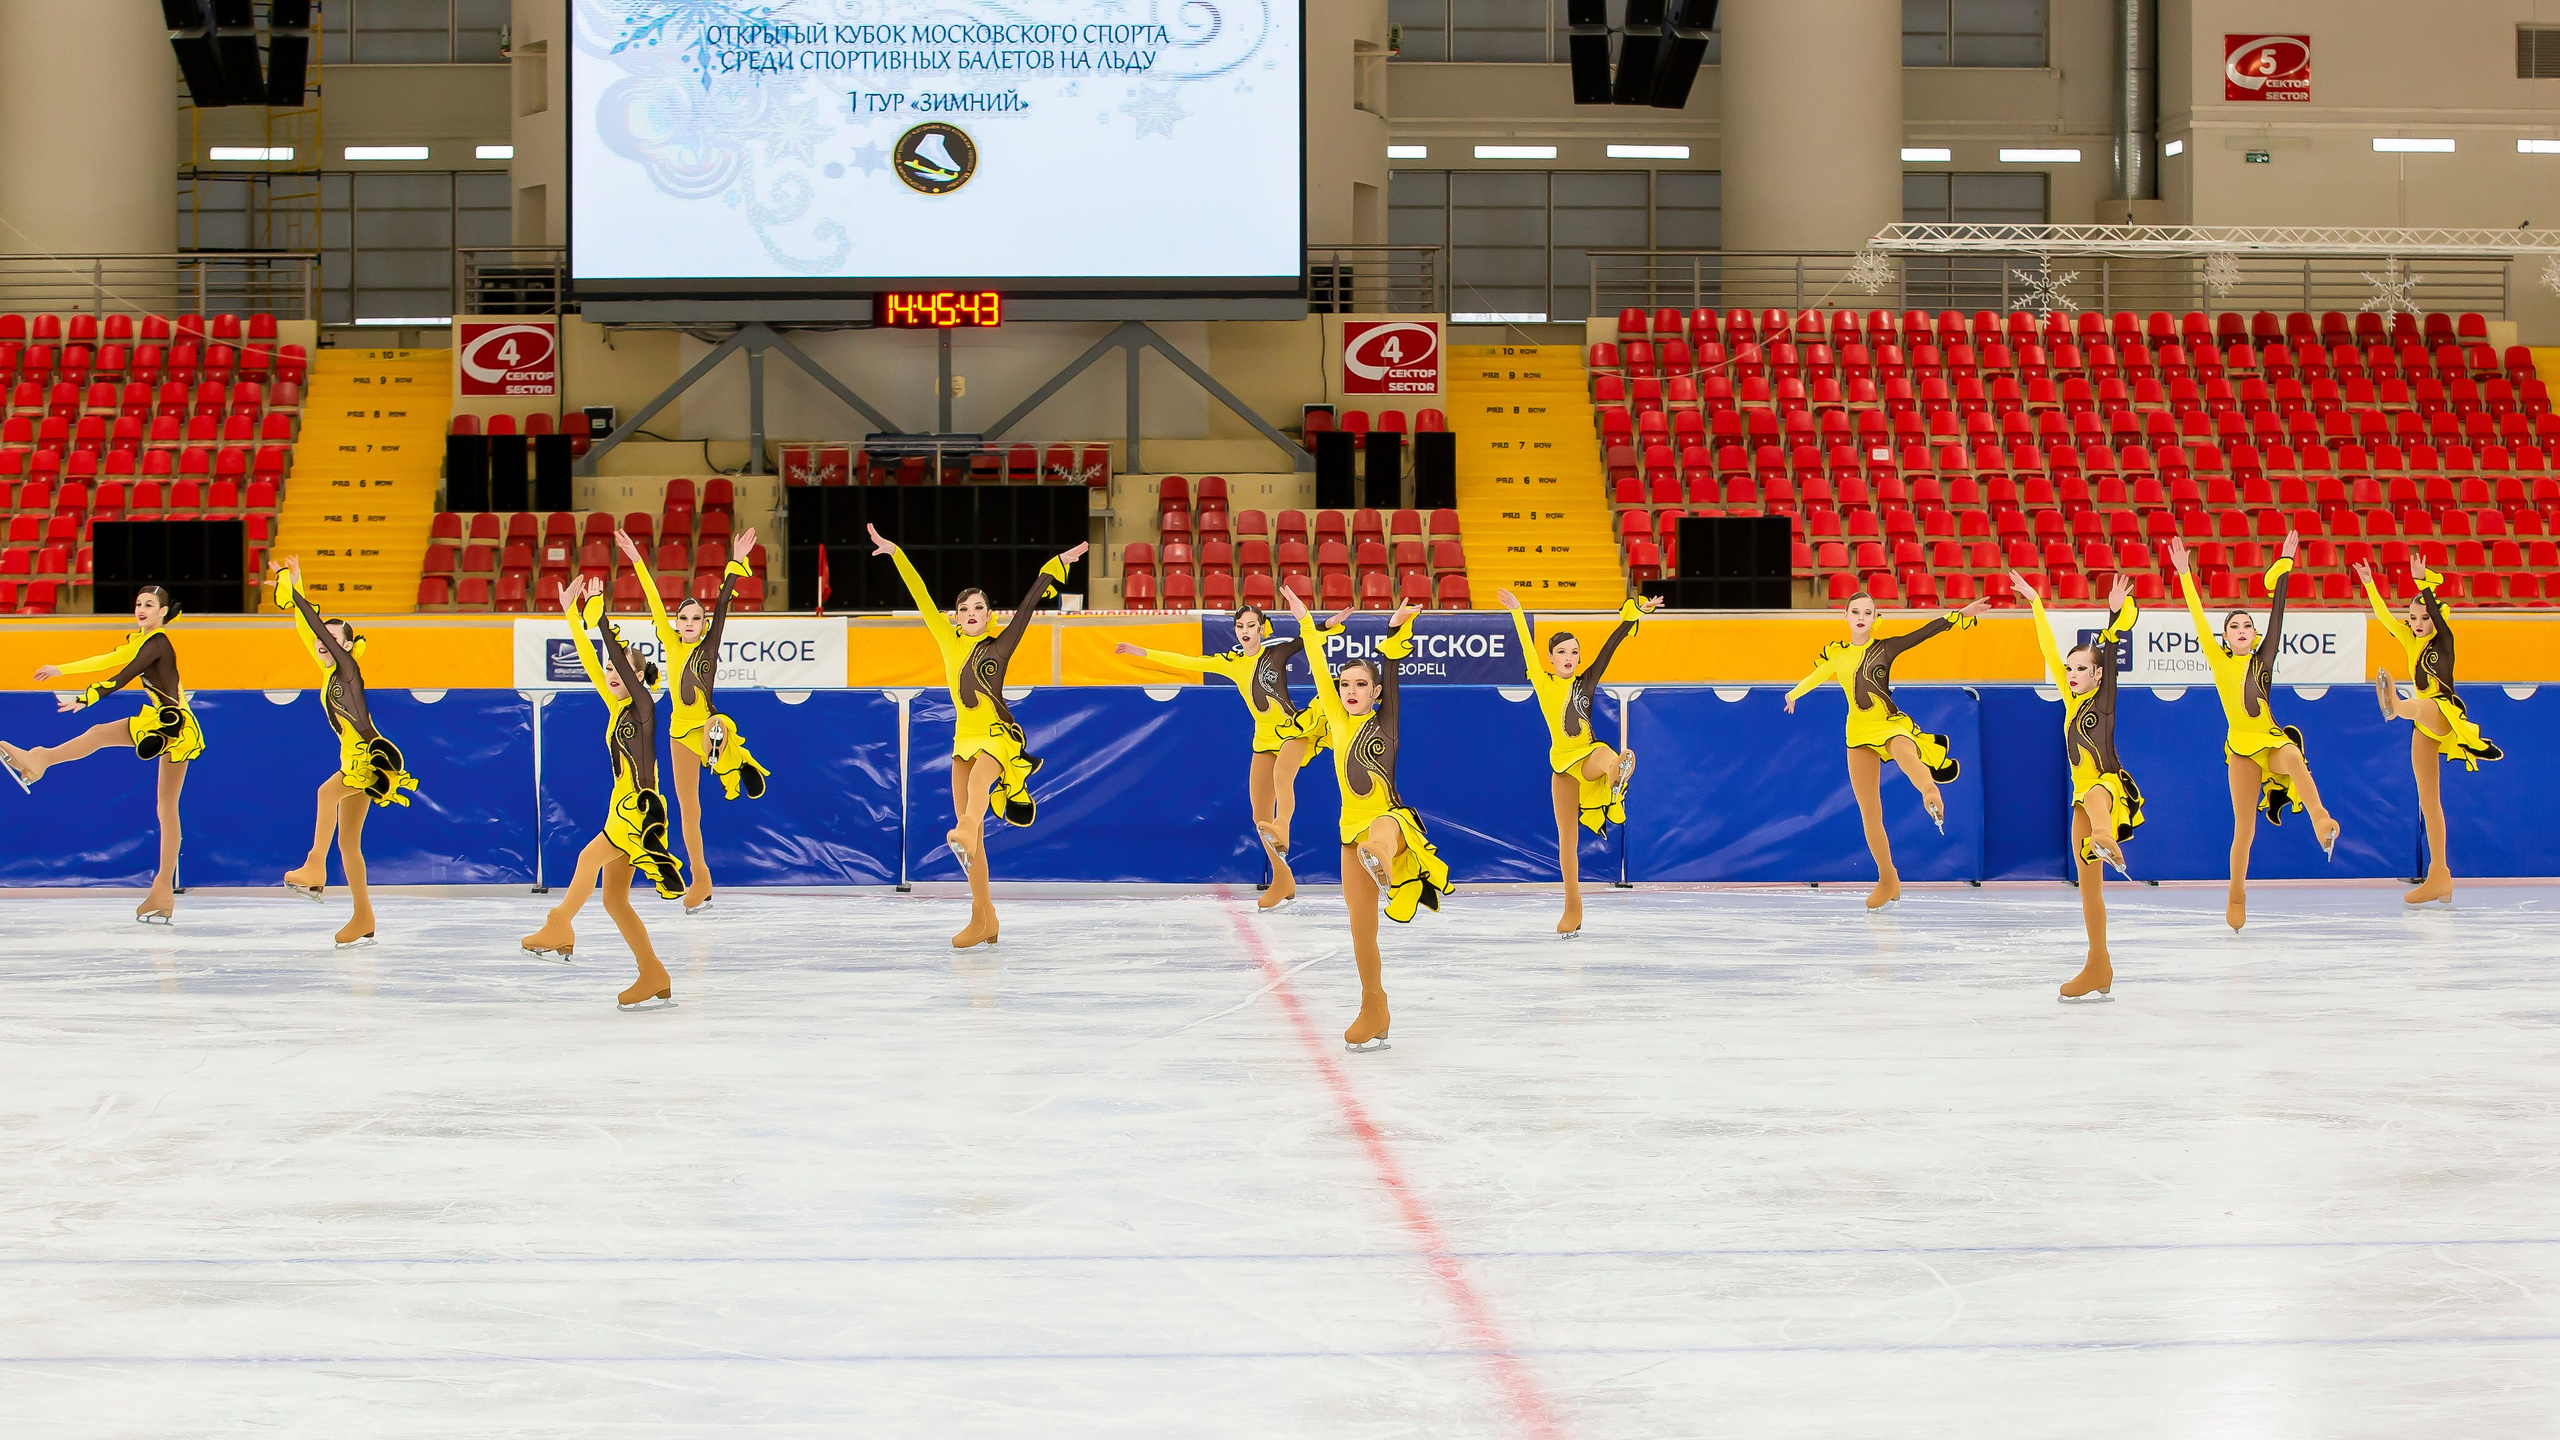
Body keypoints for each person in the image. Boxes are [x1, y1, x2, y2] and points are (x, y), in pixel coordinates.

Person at [872, 523, 1088, 949]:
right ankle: (984, 916)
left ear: (989, 615)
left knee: (974, 799)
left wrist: (1055, 566)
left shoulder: (1000, 644)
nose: (971, 613)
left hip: (996, 735)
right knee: (973, 845)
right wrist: (897, 553)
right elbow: (920, 596)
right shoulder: (946, 641)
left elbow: (1027, 607)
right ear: (955, 616)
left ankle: (969, 827)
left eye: (979, 608)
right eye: (964, 608)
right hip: (962, 739)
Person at [1277, 584, 1451, 1052]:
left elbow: (1391, 667)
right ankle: (1374, 1007)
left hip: (1390, 823)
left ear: (1375, 693)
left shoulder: (1386, 719)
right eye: (1345, 684)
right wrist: (1304, 623)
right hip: (1348, 836)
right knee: (1361, 932)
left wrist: (1394, 628)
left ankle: (1383, 860)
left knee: (1380, 831)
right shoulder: (1334, 720)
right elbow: (1316, 663)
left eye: (1361, 685)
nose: (1351, 691)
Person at [520, 575, 686, 1009]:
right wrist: (571, 614)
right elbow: (596, 663)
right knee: (614, 899)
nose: (612, 674)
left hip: (639, 811)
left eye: (622, 669)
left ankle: (559, 924)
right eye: (611, 669)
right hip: (625, 806)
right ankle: (654, 973)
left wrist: (602, 617)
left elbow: (612, 655)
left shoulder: (645, 705)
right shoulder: (616, 706)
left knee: (587, 858)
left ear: (639, 674)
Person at [1115, 603, 1342, 910]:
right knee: (1259, 815)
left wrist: (1329, 622)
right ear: (1235, 631)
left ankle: (1284, 828)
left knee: (1282, 777)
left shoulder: (1276, 652)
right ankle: (1282, 877)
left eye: (1251, 625)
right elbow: (1190, 662)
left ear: (1261, 628)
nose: (1246, 631)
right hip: (1263, 740)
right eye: (1240, 626)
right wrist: (1145, 652)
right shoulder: (1231, 662)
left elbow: (1309, 637)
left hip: (1294, 730)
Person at [0, 584, 202, 924]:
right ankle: (163, 890)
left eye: (149, 605)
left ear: (163, 612)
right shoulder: (140, 640)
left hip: (172, 724)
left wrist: (86, 697)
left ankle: (40, 760)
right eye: (138, 603)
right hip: (171, 725)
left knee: (103, 741)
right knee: (164, 805)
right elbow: (108, 659)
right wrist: (60, 669)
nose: (141, 609)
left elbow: (123, 675)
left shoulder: (157, 643)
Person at [2170, 533, 2339, 931]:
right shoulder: (2218, 660)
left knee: (2294, 756)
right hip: (2242, 750)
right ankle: (2236, 893)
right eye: (2234, 626)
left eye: (2247, 625)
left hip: (2270, 739)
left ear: (2255, 635)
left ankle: (2320, 819)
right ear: (2225, 636)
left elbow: (2277, 613)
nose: (2242, 629)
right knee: (2244, 829)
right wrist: (2184, 575)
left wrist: (2284, 564)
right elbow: (2196, 615)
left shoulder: (2264, 657)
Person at [1783, 591, 1992, 910]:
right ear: (1846, 616)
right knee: (1870, 812)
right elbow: (1818, 675)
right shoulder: (1838, 654)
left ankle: (1929, 791)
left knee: (1908, 755)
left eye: (1868, 611)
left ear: (1875, 617)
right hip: (1858, 732)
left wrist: (1959, 614)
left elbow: (1921, 634)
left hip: (1890, 723)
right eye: (1856, 611)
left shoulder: (1885, 647)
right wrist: (1794, 694)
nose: (1862, 616)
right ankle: (1888, 878)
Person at [615, 526, 771, 914]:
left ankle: (734, 763)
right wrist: (636, 558)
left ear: (702, 624)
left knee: (721, 726)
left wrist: (734, 565)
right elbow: (653, 601)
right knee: (689, 811)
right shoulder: (669, 643)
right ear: (678, 621)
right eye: (683, 618)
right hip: (677, 734)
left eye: (695, 618)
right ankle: (701, 878)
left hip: (706, 724)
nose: (688, 622)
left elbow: (722, 606)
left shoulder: (709, 644)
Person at [274, 556, 419, 948]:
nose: (324, 642)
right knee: (350, 843)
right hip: (359, 761)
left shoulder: (349, 668)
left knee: (325, 793)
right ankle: (363, 916)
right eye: (325, 640)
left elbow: (314, 626)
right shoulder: (329, 673)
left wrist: (295, 593)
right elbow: (309, 632)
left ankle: (314, 865)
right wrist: (296, 585)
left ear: (350, 647)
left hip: (366, 759)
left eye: (334, 639)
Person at [1497, 589, 1659, 936]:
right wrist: (1517, 610)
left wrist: (1637, 615)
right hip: (1562, 767)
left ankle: (1617, 773)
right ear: (1552, 659)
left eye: (1574, 652)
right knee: (1567, 842)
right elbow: (1527, 648)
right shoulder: (1542, 682)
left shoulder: (1586, 682)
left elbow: (1609, 649)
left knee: (1603, 752)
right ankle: (1573, 908)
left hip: (1588, 756)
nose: (1569, 657)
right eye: (1561, 652)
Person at [2015, 570, 2143, 1003]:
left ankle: (2104, 837)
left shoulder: (2104, 701)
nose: (2072, 673)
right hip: (2081, 801)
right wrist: (2035, 602)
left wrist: (2111, 610)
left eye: (2081, 668)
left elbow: (2108, 645)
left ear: (2098, 674)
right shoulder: (2071, 702)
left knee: (2094, 797)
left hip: (2107, 787)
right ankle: (2098, 966)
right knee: (2090, 890)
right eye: (2070, 669)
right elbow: (2050, 652)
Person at [2358, 559, 2502, 907]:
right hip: (2423, 725)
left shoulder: (2445, 637)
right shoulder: (2409, 639)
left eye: (2425, 617)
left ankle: (2396, 702)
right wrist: (2371, 586)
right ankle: (2440, 875)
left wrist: (2424, 584)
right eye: (2414, 618)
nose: (2419, 623)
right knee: (2428, 801)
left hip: (2443, 711)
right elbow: (2384, 618)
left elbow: (2435, 614)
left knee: (2421, 705)